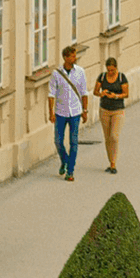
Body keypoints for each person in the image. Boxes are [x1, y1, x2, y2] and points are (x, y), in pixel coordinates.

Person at [48, 43, 89, 181]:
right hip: (60, 112)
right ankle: (64, 160)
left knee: (74, 141)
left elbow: (84, 92)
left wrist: (85, 110)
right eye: (72, 56)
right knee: (58, 141)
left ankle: (70, 171)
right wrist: (51, 112)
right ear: (65, 57)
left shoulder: (80, 72)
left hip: (75, 111)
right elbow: (51, 94)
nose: (75, 58)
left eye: (75, 55)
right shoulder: (56, 74)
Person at [96, 56, 129, 175]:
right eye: (108, 70)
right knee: (107, 137)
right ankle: (110, 162)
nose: (110, 72)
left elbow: (126, 94)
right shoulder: (102, 77)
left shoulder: (121, 77)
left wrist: (115, 96)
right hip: (104, 109)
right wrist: (102, 93)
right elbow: (96, 91)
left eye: (112, 70)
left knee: (114, 137)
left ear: (116, 68)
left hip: (117, 110)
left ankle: (114, 163)